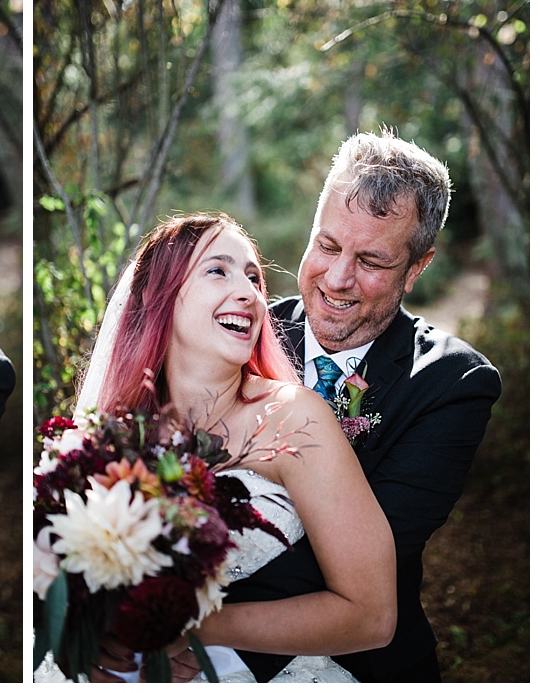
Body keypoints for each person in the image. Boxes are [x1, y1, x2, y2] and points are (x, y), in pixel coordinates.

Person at [37, 212, 398, 683]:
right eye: (217, 270)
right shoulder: (113, 436)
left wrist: (194, 628)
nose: (249, 293)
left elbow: (372, 615)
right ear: (157, 295)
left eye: (254, 277)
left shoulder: (295, 417)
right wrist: (89, 630)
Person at [201, 130, 502, 683]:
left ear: (417, 268)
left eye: (372, 261)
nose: (338, 279)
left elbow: (351, 567)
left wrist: (187, 624)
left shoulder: (452, 383)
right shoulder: (241, 334)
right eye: (328, 246)